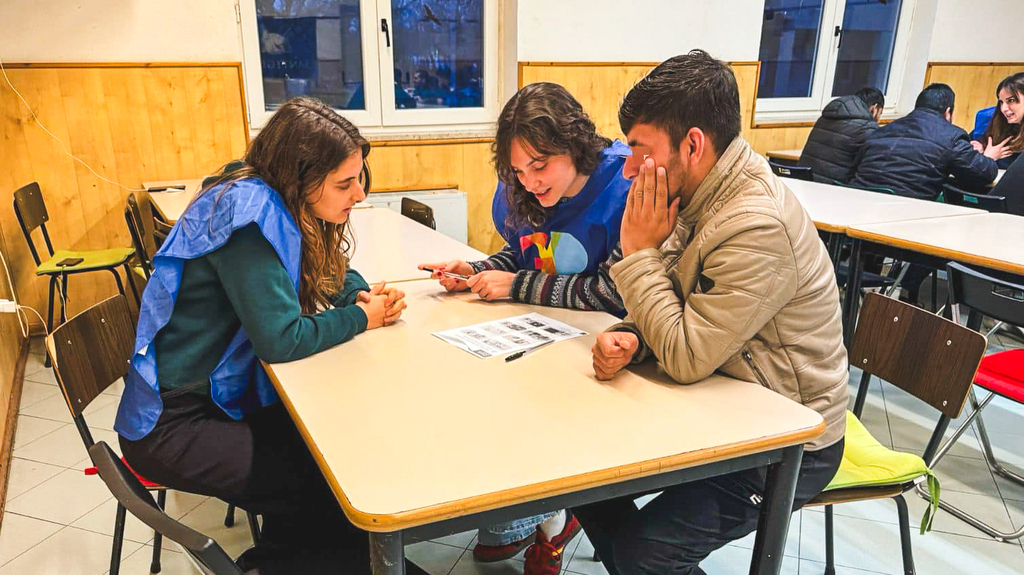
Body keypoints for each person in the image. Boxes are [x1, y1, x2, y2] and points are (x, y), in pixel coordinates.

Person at [114, 98, 421, 574]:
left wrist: (358, 297)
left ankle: (287, 558)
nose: (359, 194)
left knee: (336, 449)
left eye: (359, 178)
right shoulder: (248, 219)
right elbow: (281, 339)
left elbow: (328, 272)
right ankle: (297, 562)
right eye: (345, 183)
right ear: (300, 176)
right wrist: (364, 319)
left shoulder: (272, 192)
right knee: (327, 479)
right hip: (173, 422)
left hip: (213, 400)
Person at [577, 50, 848, 575]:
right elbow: (679, 304)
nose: (628, 169)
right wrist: (635, 335)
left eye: (638, 150)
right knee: (575, 471)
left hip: (790, 439)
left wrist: (637, 255)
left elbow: (685, 354)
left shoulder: (755, 224)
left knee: (644, 553)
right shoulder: (700, 192)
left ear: (693, 145)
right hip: (724, 402)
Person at [419, 82, 632, 573]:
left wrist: (515, 286)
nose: (530, 182)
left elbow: (613, 292)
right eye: (517, 171)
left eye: (541, 166)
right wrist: (477, 270)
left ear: (576, 145)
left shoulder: (622, 185)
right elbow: (525, 253)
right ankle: (530, 513)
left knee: (552, 417)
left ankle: (552, 516)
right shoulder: (519, 187)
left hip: (603, 352)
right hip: (543, 333)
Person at [850, 83, 1005, 201]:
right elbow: (983, 174)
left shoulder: (882, 130)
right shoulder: (952, 136)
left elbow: (854, 167)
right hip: (906, 210)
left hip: (859, 203)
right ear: (948, 112)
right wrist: (989, 158)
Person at [798, 87, 883, 183]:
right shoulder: (868, 128)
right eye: (880, 113)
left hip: (804, 181)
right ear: (874, 109)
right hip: (834, 189)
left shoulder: (824, 118)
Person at [973, 72, 1024, 169]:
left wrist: (986, 159)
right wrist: (982, 156)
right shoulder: (991, 122)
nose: (1004, 108)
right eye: (1001, 102)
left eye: (1011, 100)